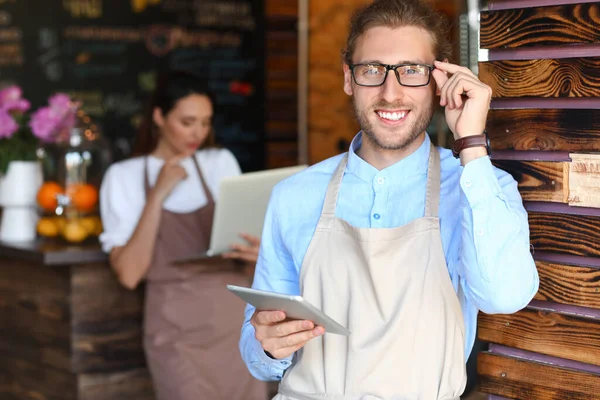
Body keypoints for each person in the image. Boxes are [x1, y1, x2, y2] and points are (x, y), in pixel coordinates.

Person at [239, 0, 539, 399]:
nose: (390, 92)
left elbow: (504, 296)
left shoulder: (480, 185)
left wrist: (470, 143)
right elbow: (255, 346)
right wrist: (266, 343)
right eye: (372, 70)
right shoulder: (294, 195)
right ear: (349, 78)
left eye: (412, 71)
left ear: (441, 78)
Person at [99, 70, 268, 400]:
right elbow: (129, 274)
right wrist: (157, 195)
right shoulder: (124, 176)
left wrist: (257, 252)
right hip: (176, 334)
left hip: (236, 326)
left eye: (206, 123)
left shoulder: (220, 162)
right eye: (188, 122)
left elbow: (246, 256)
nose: (199, 133)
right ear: (159, 117)